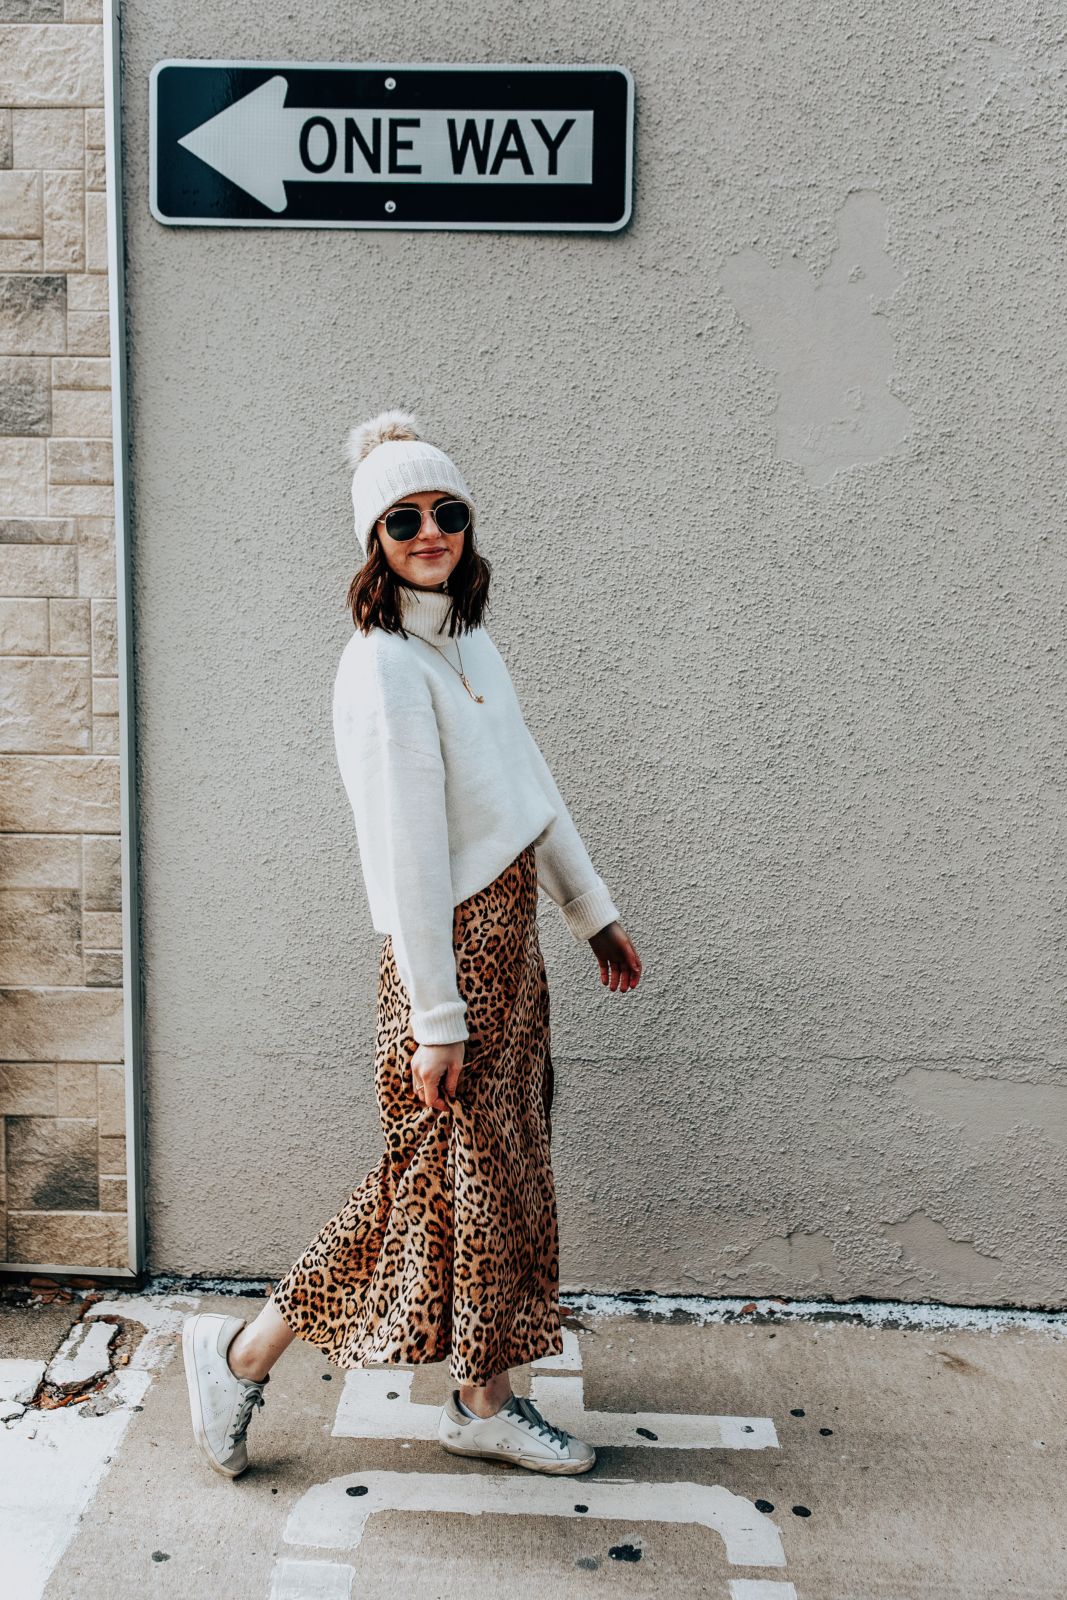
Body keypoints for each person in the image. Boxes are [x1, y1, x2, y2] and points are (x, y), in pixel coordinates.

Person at [181, 411, 642, 1481]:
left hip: (507, 948)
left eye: (446, 513)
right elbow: (404, 858)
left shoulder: (469, 642)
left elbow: (530, 790)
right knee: (429, 1180)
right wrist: (437, 1017)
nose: (429, 532)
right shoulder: (382, 667)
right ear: (373, 541)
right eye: (403, 519)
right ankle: (244, 1356)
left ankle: (477, 1397)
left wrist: (591, 912)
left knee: (485, 1178)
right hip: (448, 962)